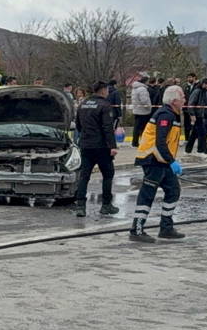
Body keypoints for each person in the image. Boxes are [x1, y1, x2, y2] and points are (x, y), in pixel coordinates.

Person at [131, 85, 186, 243]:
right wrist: (172, 161)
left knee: (173, 190)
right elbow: (160, 142)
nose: (184, 100)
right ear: (174, 100)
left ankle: (166, 228)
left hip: (162, 160)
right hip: (153, 159)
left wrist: (170, 161)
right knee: (147, 194)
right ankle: (137, 230)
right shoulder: (165, 115)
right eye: (182, 97)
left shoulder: (172, 114)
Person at [73, 81, 120, 217]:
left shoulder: (83, 104)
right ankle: (106, 205)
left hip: (86, 145)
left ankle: (80, 206)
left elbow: (78, 125)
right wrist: (112, 146)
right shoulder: (105, 105)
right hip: (101, 146)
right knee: (108, 174)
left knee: (84, 176)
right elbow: (107, 127)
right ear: (103, 90)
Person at [129, 75, 151, 147]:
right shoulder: (142, 89)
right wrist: (149, 107)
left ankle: (135, 142)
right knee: (143, 128)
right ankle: (142, 142)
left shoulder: (135, 88)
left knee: (137, 127)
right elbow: (144, 100)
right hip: (143, 111)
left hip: (137, 110)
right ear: (146, 81)